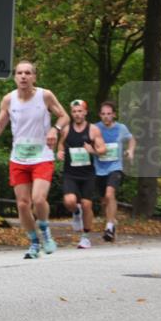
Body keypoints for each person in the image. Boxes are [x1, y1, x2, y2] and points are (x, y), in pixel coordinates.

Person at [0, 60, 69, 259]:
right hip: (19, 158)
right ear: (15, 77)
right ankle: (34, 242)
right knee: (23, 204)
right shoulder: (8, 100)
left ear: (34, 77)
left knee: (38, 199)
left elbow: (64, 117)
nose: (23, 76)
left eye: (27, 73)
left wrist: (54, 129)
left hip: (42, 156)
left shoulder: (45, 96)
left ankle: (45, 231)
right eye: (19, 73)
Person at [56, 99, 105, 249]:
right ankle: (76, 212)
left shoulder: (93, 130)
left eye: (80, 111)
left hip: (88, 174)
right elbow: (60, 144)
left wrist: (93, 151)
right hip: (70, 173)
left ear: (85, 112)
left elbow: (103, 149)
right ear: (71, 113)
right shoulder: (66, 129)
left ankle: (85, 237)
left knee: (87, 204)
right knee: (70, 201)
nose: (77, 114)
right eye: (74, 111)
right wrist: (60, 152)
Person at [94, 100, 136, 242]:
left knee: (109, 194)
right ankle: (112, 220)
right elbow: (85, 140)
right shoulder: (95, 128)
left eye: (109, 114)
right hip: (99, 169)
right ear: (100, 115)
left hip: (115, 167)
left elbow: (132, 139)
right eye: (103, 114)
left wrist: (130, 151)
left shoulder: (121, 128)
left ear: (114, 115)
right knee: (104, 200)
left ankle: (109, 227)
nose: (106, 116)